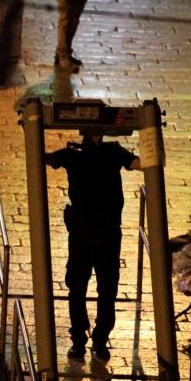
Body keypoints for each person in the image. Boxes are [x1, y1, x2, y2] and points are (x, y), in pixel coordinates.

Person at [45, 134, 141, 363]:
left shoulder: (97, 153)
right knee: (90, 287)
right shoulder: (89, 153)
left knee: (93, 288)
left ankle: (89, 340)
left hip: (93, 232)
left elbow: (137, 163)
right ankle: (88, 339)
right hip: (93, 232)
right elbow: (136, 164)